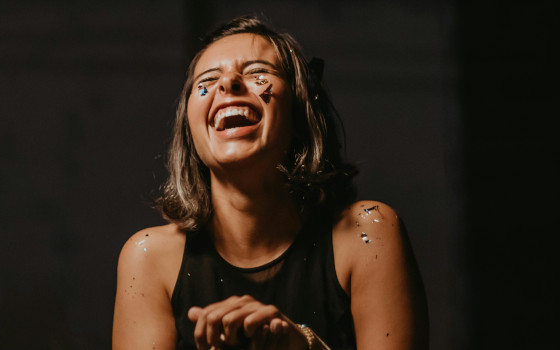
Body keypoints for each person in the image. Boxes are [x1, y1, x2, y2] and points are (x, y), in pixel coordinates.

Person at [112, 15, 428, 350]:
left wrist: (302, 346)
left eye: (256, 72)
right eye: (207, 80)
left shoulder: (368, 234)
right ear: (189, 129)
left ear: (300, 110)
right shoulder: (148, 259)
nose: (229, 83)